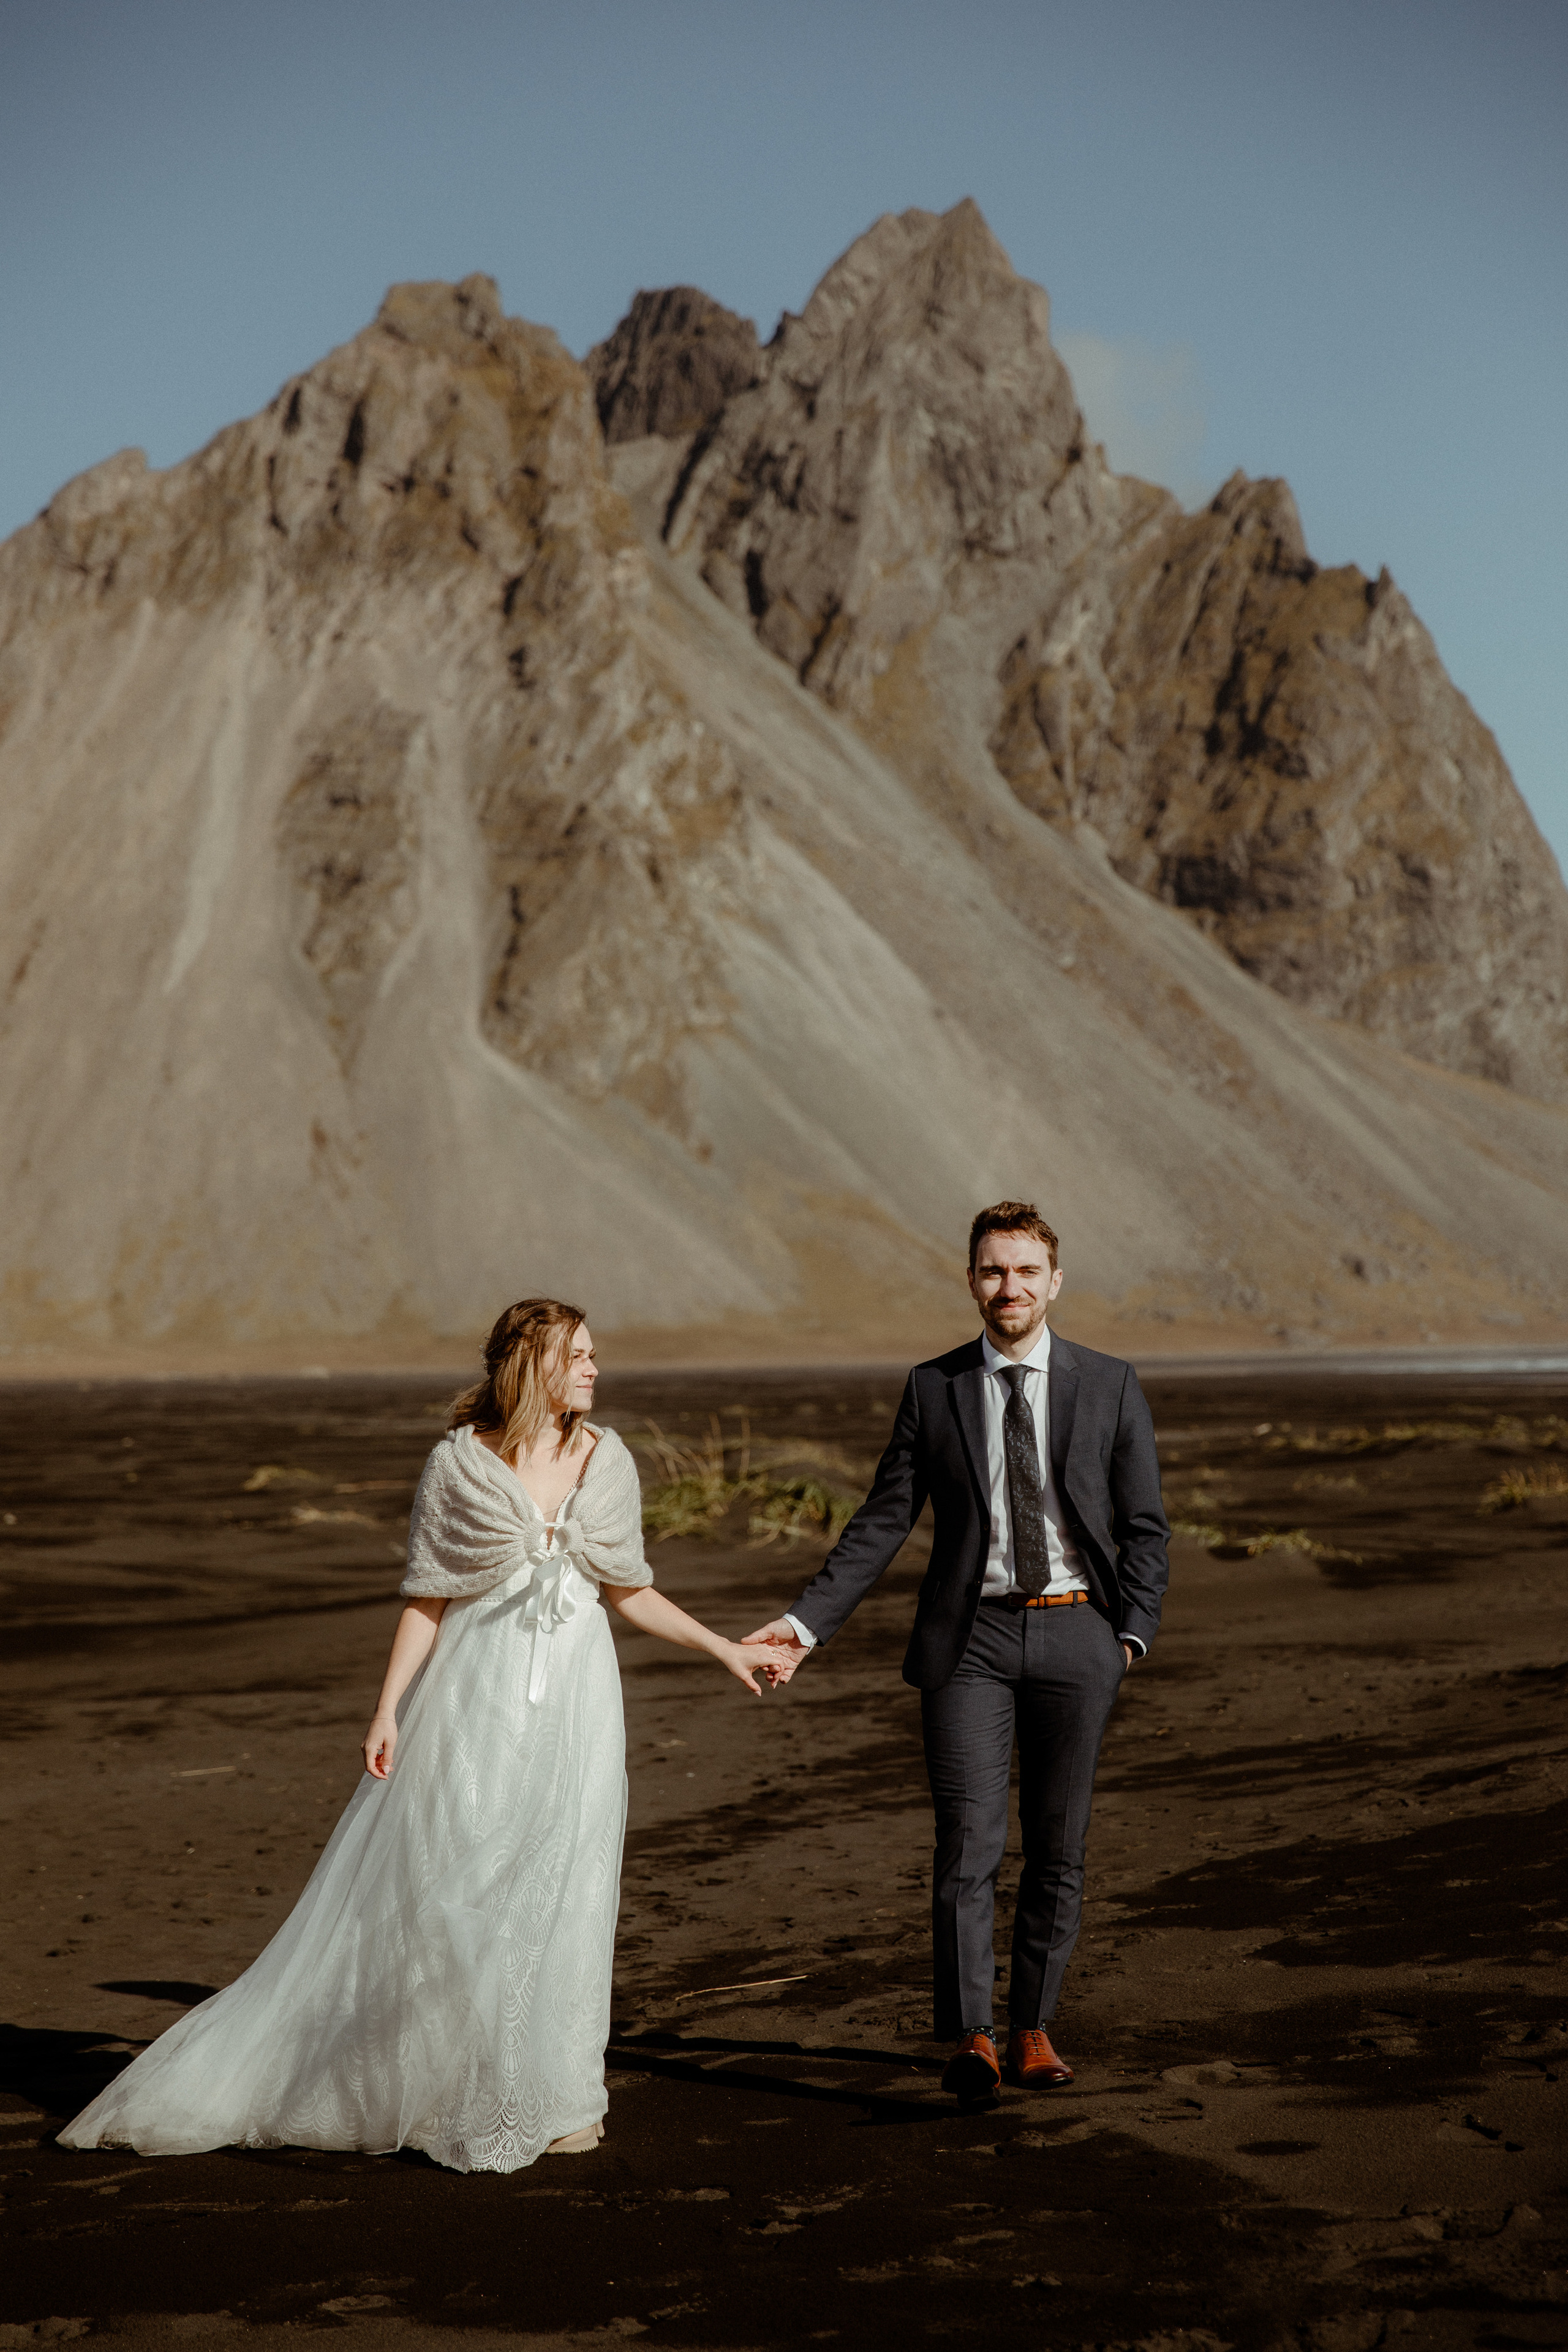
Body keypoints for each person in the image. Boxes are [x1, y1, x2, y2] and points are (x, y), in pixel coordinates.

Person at [61, 1297, 782, 2173]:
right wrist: (387, 1708)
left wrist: (720, 1648)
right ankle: (449, 2089)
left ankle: (556, 2096)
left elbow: (628, 1587)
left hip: (580, 1703)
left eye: (595, 1354)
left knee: (565, 1889)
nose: (595, 1368)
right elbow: (428, 1596)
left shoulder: (609, 1459)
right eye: (579, 1355)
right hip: (474, 1698)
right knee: (458, 1882)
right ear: (532, 1364)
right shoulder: (459, 1464)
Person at [748, 1202, 1169, 2104]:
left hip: (1079, 1633)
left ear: (1055, 1281)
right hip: (967, 1642)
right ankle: (974, 2038)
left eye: (1023, 1271)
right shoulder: (933, 1388)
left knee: (1059, 1847)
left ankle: (1034, 2030)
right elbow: (883, 1520)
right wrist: (805, 1624)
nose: (1006, 1288)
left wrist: (1129, 1634)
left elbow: (1145, 1527)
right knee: (968, 1843)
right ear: (970, 1280)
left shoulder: (1110, 1383)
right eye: (990, 1271)